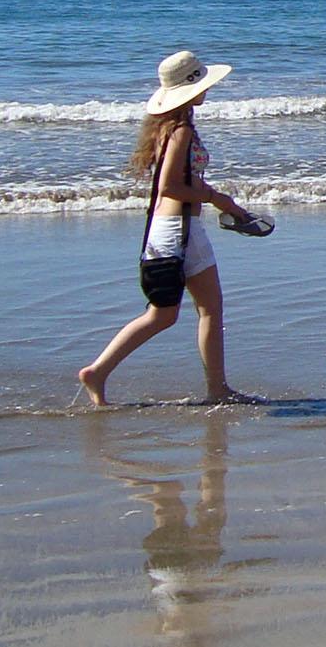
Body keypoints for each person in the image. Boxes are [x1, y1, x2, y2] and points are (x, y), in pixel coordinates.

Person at [80, 50, 267, 408]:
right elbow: (169, 186)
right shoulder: (180, 131)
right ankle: (217, 390)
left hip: (170, 227)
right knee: (207, 310)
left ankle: (99, 371)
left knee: (164, 314)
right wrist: (218, 199)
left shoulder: (171, 127)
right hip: (180, 228)